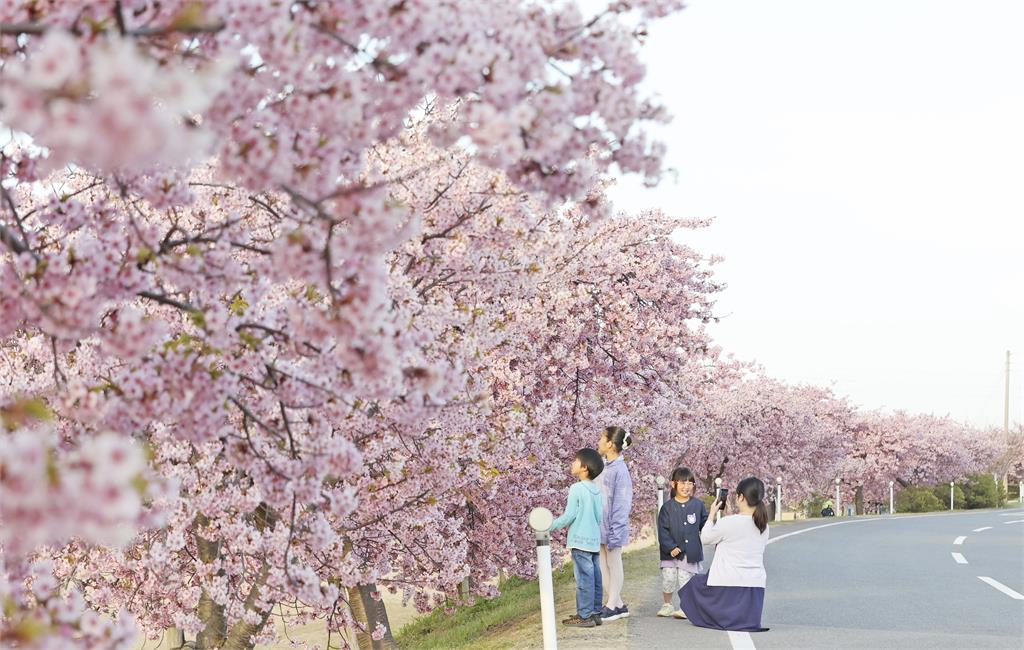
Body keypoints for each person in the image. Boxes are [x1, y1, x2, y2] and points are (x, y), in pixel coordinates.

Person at [677, 476, 770, 632]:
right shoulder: (764, 526)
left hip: (726, 583)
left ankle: (721, 617)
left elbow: (705, 538)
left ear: (741, 497)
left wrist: (712, 514)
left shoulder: (729, 522)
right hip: (755, 586)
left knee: (694, 585)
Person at [550, 447, 605, 628]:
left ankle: (584, 616)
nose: (572, 463)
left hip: (580, 541)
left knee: (583, 579)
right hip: (594, 541)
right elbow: (599, 517)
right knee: (595, 577)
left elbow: (569, 515)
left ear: (584, 468)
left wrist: (549, 526)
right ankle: (595, 613)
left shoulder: (577, 488)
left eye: (575, 461)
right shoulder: (596, 490)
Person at [656, 467, 708, 618]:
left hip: (689, 551)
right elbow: (663, 530)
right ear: (674, 484)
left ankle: (685, 607)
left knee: (685, 579)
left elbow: (705, 525)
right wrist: (670, 547)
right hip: (670, 553)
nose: (686, 486)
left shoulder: (697, 505)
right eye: (682, 483)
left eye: (690, 483)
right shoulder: (667, 507)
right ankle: (667, 605)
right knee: (668, 578)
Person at [596, 426, 634, 621]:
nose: (600, 441)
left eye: (602, 438)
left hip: (613, 526)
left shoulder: (620, 470)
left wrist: (616, 530)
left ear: (610, 444)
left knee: (614, 562)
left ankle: (611, 606)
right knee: (602, 563)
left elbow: (622, 502)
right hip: (601, 525)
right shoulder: (604, 466)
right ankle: (617, 604)